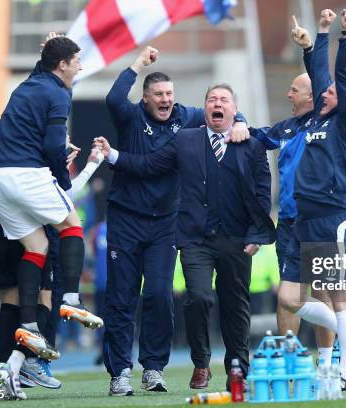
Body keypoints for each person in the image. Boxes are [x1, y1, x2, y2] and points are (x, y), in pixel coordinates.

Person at [94, 82, 275, 392]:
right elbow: (149, 165)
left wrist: (256, 232)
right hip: (195, 239)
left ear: (234, 109)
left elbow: (262, 192)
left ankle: (237, 369)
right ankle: (201, 363)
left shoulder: (251, 143)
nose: (217, 104)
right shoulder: (185, 139)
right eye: (211, 100)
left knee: (235, 305)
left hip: (235, 238)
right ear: (204, 109)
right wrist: (113, 156)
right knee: (199, 298)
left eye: (224, 100)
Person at [0, 34, 103, 396]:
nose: (80, 66)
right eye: (77, 60)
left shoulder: (27, 87)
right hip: (23, 178)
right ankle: (71, 300)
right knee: (72, 224)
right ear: (62, 64)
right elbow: (54, 150)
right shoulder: (58, 95)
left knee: (35, 247)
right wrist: (70, 172)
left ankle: (27, 335)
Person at [0, 124, 105, 399]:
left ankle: (6, 373)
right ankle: (24, 362)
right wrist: (89, 166)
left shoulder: (5, 130)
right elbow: (64, 198)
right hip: (30, 224)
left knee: (10, 301)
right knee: (44, 299)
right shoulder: (49, 143)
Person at [274, 9, 346, 391]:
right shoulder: (315, 121)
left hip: (332, 217)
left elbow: (340, 77)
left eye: (329, 92)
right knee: (290, 297)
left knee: (340, 298)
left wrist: (344, 34)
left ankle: (345, 372)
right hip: (303, 220)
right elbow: (320, 73)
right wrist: (317, 36)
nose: (323, 91)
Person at [248, 13, 337, 366]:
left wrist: (310, 47)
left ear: (312, 96)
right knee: (289, 296)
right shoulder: (285, 129)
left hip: (319, 220)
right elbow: (258, 137)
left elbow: (324, 80)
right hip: (288, 222)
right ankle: (290, 356)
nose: (288, 94)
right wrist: (239, 126)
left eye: (294, 90)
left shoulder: (326, 122)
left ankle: (329, 358)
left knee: (322, 290)